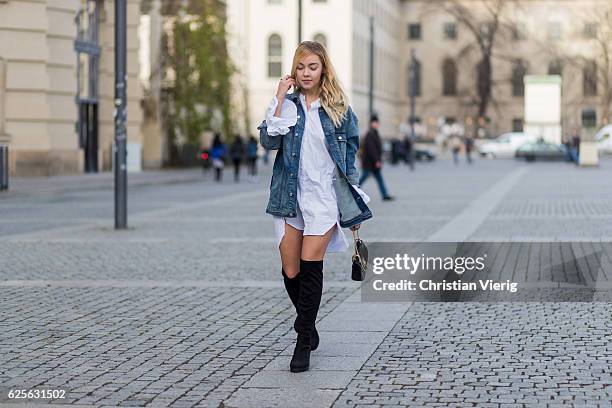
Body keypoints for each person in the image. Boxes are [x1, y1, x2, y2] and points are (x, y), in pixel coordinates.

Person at [258, 41, 372, 373]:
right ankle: (309, 324)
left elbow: (349, 159)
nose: (306, 73)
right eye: (301, 67)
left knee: (310, 267)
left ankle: (302, 341)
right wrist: (279, 97)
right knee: (290, 270)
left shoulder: (339, 108)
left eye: (312, 67)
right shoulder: (288, 106)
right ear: (294, 70)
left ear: (323, 69)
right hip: (290, 194)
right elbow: (268, 142)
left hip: (323, 197)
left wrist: (354, 207)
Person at [358, 115, 395, 201]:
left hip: (372, 162)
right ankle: (353, 191)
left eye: (377, 123)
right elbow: (372, 149)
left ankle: (385, 195)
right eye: (376, 123)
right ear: (372, 123)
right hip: (370, 162)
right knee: (364, 178)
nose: (377, 124)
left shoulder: (374, 133)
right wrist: (377, 160)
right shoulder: (370, 134)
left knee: (379, 178)